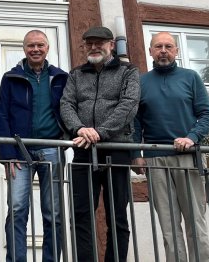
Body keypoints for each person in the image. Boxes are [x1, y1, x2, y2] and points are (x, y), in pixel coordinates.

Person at [132, 32, 209, 262]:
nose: (163, 51)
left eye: (168, 46)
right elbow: (135, 123)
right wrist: (135, 154)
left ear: (177, 51)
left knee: (195, 223)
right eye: (158, 46)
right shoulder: (140, 82)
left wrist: (192, 137)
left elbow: (208, 115)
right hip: (155, 160)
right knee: (169, 227)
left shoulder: (191, 77)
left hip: (187, 157)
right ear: (150, 51)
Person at [60, 26, 140, 262]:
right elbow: (66, 105)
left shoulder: (128, 71)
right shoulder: (75, 74)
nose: (94, 47)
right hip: (83, 150)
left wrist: (100, 132)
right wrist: (80, 129)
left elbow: (129, 105)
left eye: (99, 43)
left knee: (117, 216)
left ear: (111, 45)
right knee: (81, 214)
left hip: (116, 150)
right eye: (89, 43)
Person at [0, 30, 69, 262]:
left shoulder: (61, 77)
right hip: (19, 151)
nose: (35, 49)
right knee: (16, 210)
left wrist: (64, 139)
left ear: (47, 48)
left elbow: (69, 109)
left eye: (40, 45)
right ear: (24, 49)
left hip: (51, 149)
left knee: (53, 213)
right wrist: (7, 155)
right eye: (30, 46)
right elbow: (1, 115)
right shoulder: (11, 77)